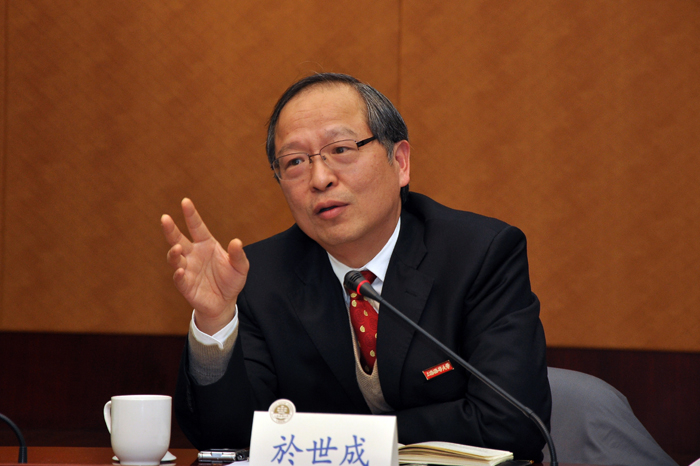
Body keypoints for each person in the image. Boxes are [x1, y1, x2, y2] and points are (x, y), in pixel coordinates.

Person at [161, 73, 551, 461]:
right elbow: (226, 439)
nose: (320, 178)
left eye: (341, 149)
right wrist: (214, 320)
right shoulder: (257, 277)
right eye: (295, 161)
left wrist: (356, 439)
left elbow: (512, 423)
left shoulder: (479, 254)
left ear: (400, 162)